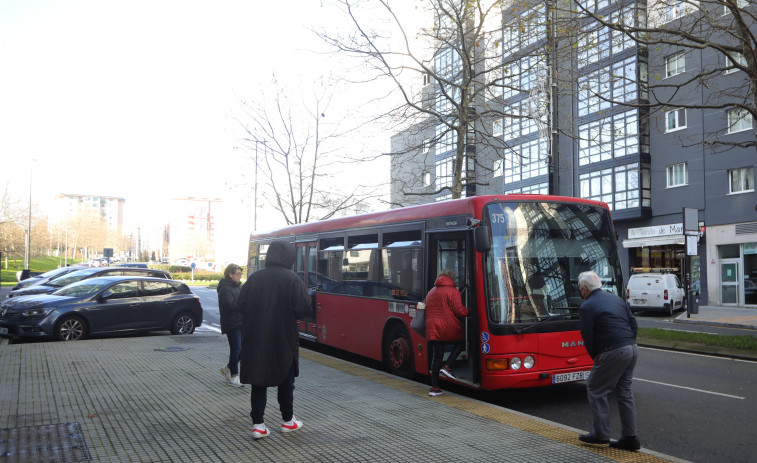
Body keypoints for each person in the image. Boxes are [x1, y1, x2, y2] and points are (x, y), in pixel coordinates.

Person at [237, 240, 310, 439]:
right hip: (283, 337)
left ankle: (258, 425)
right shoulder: (293, 279)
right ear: (290, 257)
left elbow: (240, 305)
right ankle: (288, 421)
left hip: (256, 336)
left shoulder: (254, 278)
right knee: (285, 381)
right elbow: (302, 309)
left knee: (258, 381)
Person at [577, 271, 641, 451]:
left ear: (584, 289)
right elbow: (633, 323)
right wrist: (628, 342)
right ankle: (630, 437)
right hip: (631, 348)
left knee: (595, 388)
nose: (580, 294)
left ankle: (601, 434)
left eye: (580, 290)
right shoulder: (616, 299)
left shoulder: (587, 306)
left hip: (612, 351)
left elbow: (588, 337)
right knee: (624, 391)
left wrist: (597, 358)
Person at [424, 269, 469, 397]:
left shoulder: (432, 291)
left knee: (437, 356)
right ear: (452, 278)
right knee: (460, 342)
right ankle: (447, 366)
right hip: (445, 326)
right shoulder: (453, 291)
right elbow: (460, 311)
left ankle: (434, 388)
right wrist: (471, 311)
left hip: (431, 327)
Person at [218, 263, 244, 388]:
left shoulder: (239, 286)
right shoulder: (225, 289)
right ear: (230, 274)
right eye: (237, 274)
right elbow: (230, 306)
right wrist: (244, 302)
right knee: (236, 349)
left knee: (242, 349)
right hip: (231, 323)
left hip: (242, 322)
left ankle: (227, 368)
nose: (239, 276)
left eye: (240, 274)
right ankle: (234, 376)